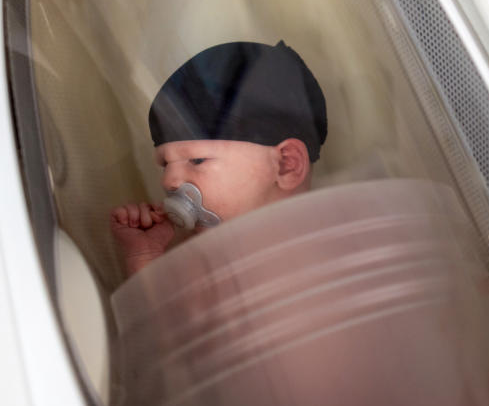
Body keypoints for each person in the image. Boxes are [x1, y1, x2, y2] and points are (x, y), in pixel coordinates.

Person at [110, 41, 328, 276]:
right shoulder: (201, 265)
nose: (169, 181)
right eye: (165, 164)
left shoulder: (327, 250)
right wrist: (144, 257)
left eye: (197, 160)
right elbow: (158, 315)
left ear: (286, 164)